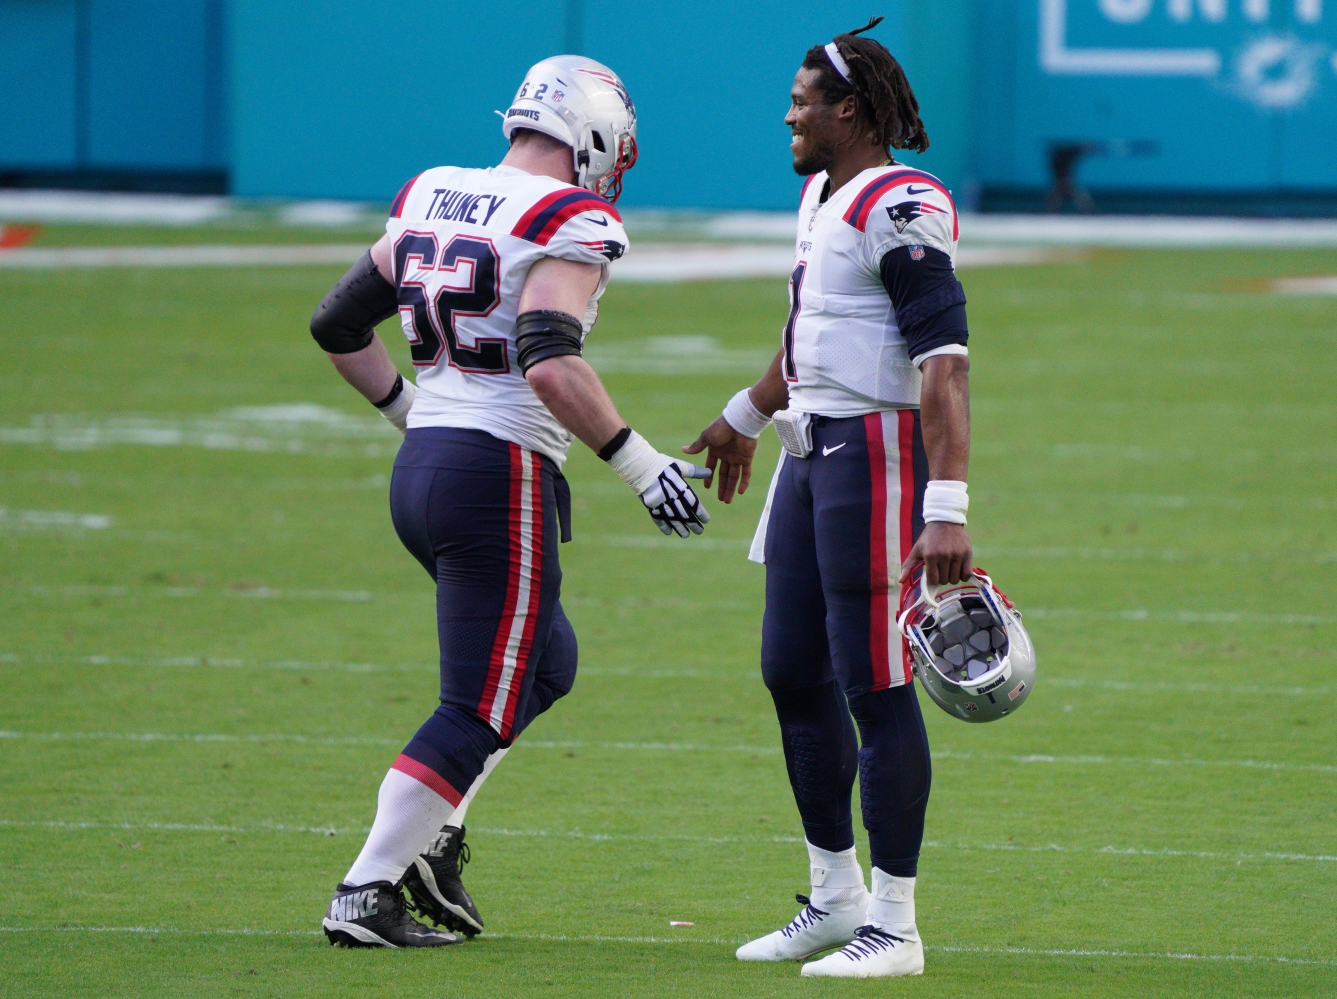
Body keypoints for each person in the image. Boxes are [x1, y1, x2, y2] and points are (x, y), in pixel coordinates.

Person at [308, 55, 712, 948]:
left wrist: (412, 414)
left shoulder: (431, 191)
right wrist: (639, 463)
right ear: (599, 137)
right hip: (497, 473)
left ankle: (432, 831)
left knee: (545, 663)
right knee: (478, 707)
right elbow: (549, 353)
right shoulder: (570, 214)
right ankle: (369, 885)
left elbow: (336, 324)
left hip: (424, 471)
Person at [683, 19, 972, 978]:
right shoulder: (822, 193)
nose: (788, 115)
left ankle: (897, 921)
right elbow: (813, 329)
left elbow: (944, 366)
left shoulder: (902, 202)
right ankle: (834, 892)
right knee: (790, 670)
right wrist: (744, 413)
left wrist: (948, 506)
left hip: (876, 453)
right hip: (811, 449)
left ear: (849, 109)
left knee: (876, 685)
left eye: (803, 101)